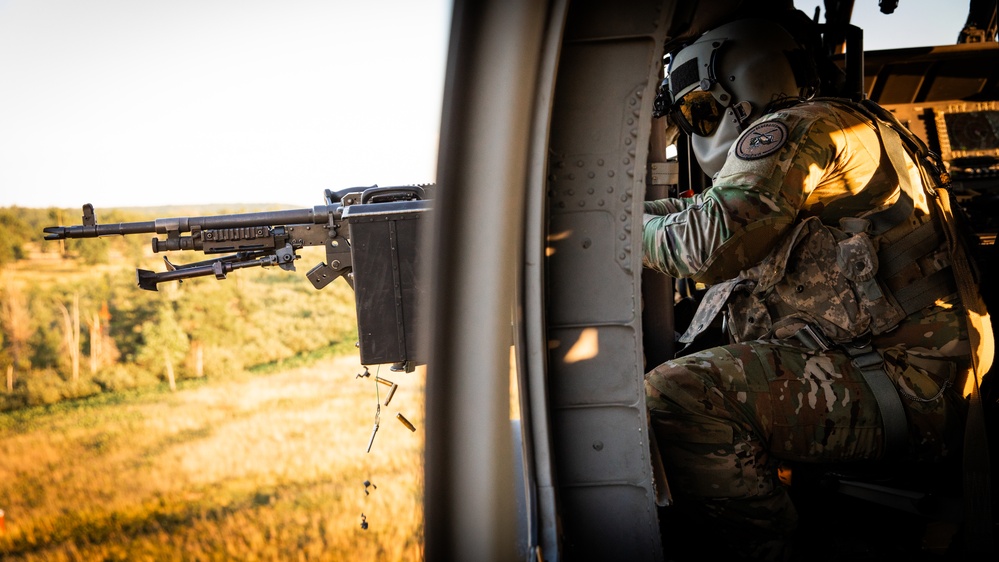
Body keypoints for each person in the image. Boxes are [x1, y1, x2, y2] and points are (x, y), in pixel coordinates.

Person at [642, 16, 994, 561]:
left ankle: (766, 549)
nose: (702, 127)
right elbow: (702, 212)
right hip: (904, 364)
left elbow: (700, 248)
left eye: (704, 110)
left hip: (910, 384)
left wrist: (609, 227)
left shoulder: (797, 128)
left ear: (741, 84)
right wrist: (624, 213)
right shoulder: (837, 120)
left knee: (680, 394)